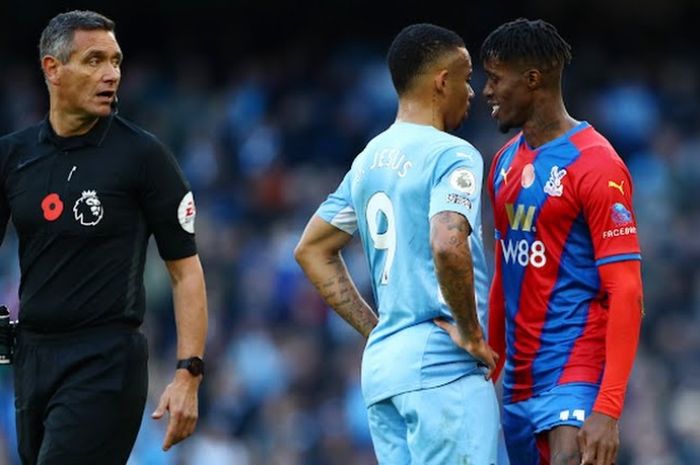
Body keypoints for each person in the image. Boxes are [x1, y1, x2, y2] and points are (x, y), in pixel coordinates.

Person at [0, 10, 208, 465]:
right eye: (93, 61)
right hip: (31, 358)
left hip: (106, 359)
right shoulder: (13, 156)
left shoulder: (143, 156)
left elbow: (185, 270)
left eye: (115, 61)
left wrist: (188, 373)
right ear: (52, 69)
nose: (110, 74)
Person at [295, 23, 499, 464]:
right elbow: (447, 242)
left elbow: (311, 249)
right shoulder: (452, 152)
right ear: (442, 81)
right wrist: (471, 332)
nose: (473, 92)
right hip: (441, 365)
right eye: (466, 79)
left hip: (386, 371)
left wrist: (378, 331)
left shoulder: (367, 161)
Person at [481, 18, 644, 465]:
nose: (487, 92)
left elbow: (627, 290)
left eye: (496, 78)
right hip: (518, 383)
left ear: (533, 80)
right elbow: (504, 279)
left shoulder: (597, 164)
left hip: (575, 372)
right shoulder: (502, 164)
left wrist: (608, 408)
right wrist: (486, 377)